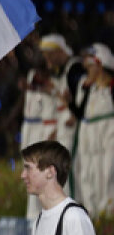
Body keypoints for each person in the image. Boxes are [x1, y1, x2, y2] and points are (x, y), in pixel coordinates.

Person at [19, 34, 84, 215]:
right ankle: (41, 215)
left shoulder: (72, 69)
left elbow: (65, 101)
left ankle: (66, 209)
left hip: (61, 128)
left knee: (63, 170)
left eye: (49, 55)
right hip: (48, 127)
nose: (47, 60)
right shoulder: (56, 74)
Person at [71, 43, 114, 216]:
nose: (86, 70)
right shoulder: (88, 88)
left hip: (108, 132)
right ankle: (93, 215)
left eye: (90, 66)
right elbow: (80, 111)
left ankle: (108, 216)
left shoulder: (111, 88)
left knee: (108, 172)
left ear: (100, 64)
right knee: (89, 174)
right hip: (89, 135)